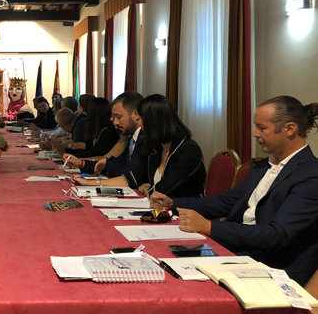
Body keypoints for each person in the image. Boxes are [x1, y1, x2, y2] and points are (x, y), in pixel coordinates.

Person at [151, 96, 318, 286]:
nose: (255, 134)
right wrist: (173, 203)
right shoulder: (263, 165)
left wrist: (209, 227)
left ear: (289, 129)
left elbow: (276, 234)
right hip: (239, 251)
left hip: (273, 266)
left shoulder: (311, 175)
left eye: (262, 128)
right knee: (160, 260)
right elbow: (227, 202)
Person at [73, 94, 206, 198]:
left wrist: (149, 188)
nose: (140, 126)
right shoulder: (157, 148)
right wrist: (89, 183)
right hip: (159, 209)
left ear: (155, 122)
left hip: (185, 214)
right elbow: (133, 178)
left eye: (142, 120)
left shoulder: (188, 150)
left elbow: (162, 190)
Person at [64, 91, 144, 176]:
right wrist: (81, 163)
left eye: (118, 117)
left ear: (136, 115)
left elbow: (126, 172)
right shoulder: (131, 137)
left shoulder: (143, 139)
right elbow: (117, 161)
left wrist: (107, 163)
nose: (114, 121)